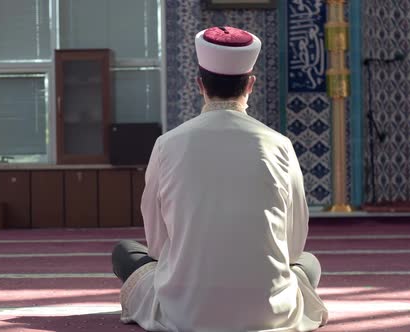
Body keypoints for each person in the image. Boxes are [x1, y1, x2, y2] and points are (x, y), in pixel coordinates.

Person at [112, 26, 328, 332]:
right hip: (269, 311)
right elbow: (293, 246)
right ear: (250, 84)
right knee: (308, 262)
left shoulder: (168, 144)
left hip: (185, 311)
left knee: (125, 252)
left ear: (200, 84)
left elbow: (157, 246)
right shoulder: (280, 144)